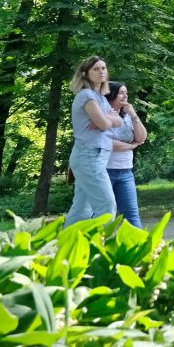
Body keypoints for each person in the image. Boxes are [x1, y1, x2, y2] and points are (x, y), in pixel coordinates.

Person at [66, 56, 125, 225]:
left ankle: (66, 248)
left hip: (95, 157)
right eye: (96, 69)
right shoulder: (86, 95)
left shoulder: (99, 97)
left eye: (103, 68)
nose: (101, 72)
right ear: (85, 74)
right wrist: (107, 119)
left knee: (81, 210)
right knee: (107, 206)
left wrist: (107, 119)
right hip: (88, 156)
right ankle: (97, 246)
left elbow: (118, 121)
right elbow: (105, 123)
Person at [104, 82, 147, 228]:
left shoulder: (128, 116)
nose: (126, 95)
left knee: (132, 214)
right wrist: (131, 146)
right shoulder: (102, 116)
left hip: (126, 172)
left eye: (126, 92)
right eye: (122, 92)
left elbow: (141, 137)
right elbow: (108, 143)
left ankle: (143, 249)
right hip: (104, 171)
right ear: (112, 95)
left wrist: (133, 114)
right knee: (104, 214)